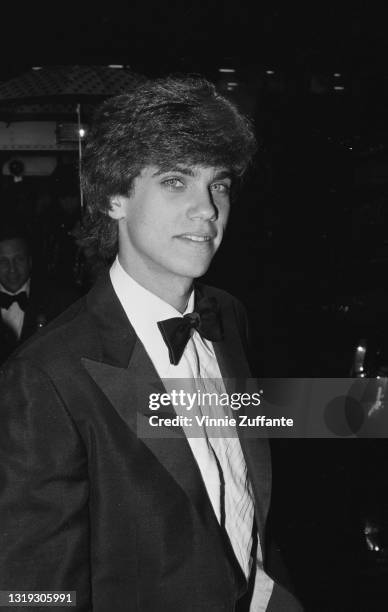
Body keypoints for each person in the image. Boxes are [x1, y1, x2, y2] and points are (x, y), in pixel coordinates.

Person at [0, 77, 302, 611]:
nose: (207, 209)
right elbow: (34, 591)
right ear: (114, 198)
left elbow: (240, 484)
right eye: (175, 181)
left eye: (220, 184)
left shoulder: (227, 316)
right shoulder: (46, 376)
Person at [0, 224, 79, 364]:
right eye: (3, 261)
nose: (12, 269)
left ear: (30, 261)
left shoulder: (60, 301)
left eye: (19, 259)